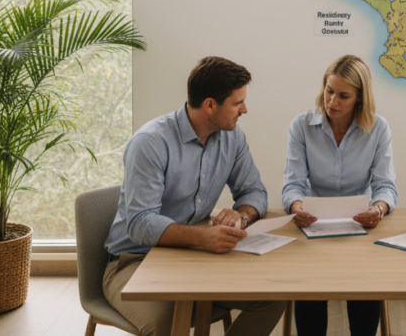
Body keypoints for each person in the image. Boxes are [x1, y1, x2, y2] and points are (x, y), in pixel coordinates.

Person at [102, 56, 287, 336]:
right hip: (135, 261)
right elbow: (139, 223)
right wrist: (203, 238)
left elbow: (254, 192)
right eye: (237, 103)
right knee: (161, 326)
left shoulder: (232, 138)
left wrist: (242, 215)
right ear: (210, 104)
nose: (245, 110)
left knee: (272, 297)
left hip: (195, 257)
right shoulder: (151, 142)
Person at [282, 54, 397, 336]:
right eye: (329, 91)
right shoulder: (301, 126)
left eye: (343, 95)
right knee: (309, 297)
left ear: (360, 98)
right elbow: (292, 184)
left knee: (363, 296)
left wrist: (379, 209)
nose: (332, 101)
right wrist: (296, 207)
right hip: (312, 226)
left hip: (360, 227)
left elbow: (385, 186)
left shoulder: (378, 127)